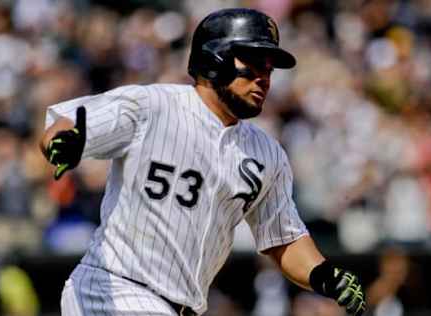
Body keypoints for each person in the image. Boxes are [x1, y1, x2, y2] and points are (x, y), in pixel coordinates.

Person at [39, 8, 366, 316]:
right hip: (112, 288)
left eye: (269, 68)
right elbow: (67, 125)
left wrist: (324, 276)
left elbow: (283, 239)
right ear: (215, 58)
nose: (264, 77)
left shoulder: (267, 154)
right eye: (253, 63)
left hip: (181, 306)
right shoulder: (153, 105)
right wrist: (64, 143)